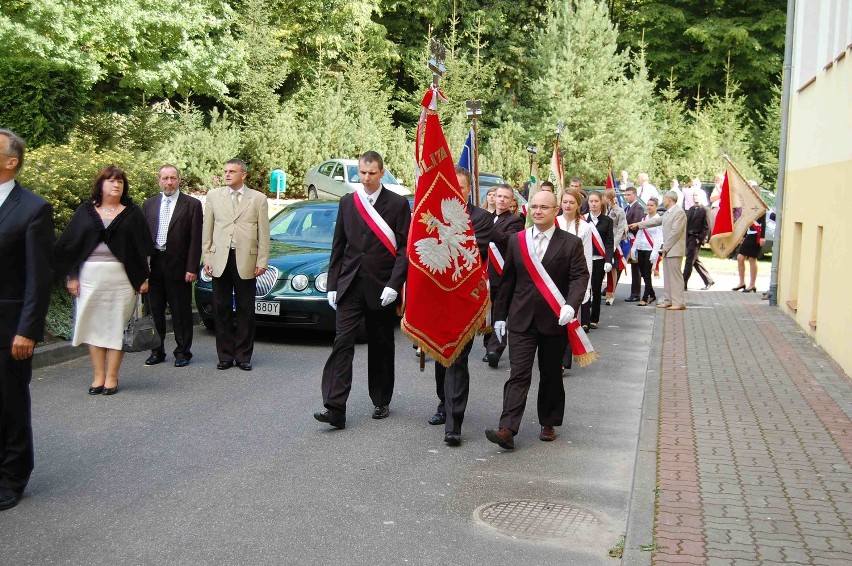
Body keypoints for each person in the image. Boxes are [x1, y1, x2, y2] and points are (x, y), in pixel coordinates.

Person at [484, 191, 589, 450]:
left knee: (551, 374)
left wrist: (571, 305)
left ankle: (548, 422)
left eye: (544, 207)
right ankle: (507, 428)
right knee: (518, 373)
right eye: (534, 207)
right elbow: (507, 281)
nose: (538, 211)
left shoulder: (570, 243)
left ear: (556, 211)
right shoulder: (517, 240)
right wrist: (499, 316)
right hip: (521, 319)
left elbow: (579, 277)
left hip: (555, 319)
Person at [314, 151, 410, 428]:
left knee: (381, 344)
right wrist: (333, 284)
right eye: (362, 173)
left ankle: (381, 399)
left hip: (381, 287)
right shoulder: (348, 202)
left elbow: (405, 249)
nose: (365, 179)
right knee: (342, 343)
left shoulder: (397, 204)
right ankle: (335, 407)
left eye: (371, 173)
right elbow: (339, 245)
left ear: (381, 173)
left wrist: (395, 283)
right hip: (350, 284)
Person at [55, 165, 152, 395]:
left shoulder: (132, 212)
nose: (116, 184)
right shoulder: (85, 211)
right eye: (110, 180)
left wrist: (144, 277)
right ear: (100, 184)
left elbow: (143, 248)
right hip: (90, 279)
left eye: (120, 181)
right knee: (94, 329)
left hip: (122, 279)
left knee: (116, 329)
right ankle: (98, 376)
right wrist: (73, 277)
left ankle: (112, 377)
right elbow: (71, 247)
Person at [0, 130, 54, 511]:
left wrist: (27, 330)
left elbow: (39, 277)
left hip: (9, 325)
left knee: (10, 403)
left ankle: (13, 475)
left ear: (11, 161)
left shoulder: (33, 208)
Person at [428, 167, 492, 446]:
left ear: (469, 190)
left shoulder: (482, 218)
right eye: (452, 187)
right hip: (439, 298)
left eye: (462, 187)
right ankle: (444, 403)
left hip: (466, 299)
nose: (457, 191)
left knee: (458, 359)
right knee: (442, 355)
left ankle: (454, 423)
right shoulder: (433, 215)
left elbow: (474, 248)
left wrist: (443, 237)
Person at [202, 158, 270, 371]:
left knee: (245, 309)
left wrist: (262, 260)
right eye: (225, 171)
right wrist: (207, 258)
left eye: (232, 171)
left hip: (246, 259)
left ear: (244, 175)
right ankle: (224, 355)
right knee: (221, 307)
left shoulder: (258, 199)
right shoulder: (214, 196)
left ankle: (243, 356)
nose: (228, 174)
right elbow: (208, 229)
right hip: (220, 257)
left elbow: (264, 234)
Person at [142, 165, 203, 367]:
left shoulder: (191, 205)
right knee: (154, 310)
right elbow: (142, 239)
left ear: (179, 180)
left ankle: (183, 351)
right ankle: (157, 351)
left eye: (173, 178)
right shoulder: (149, 204)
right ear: (159, 180)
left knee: (180, 311)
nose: (169, 182)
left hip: (179, 264)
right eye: (165, 178)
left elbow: (196, 239)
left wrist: (192, 268)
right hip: (154, 263)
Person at [482, 184, 524, 368]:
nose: (501, 200)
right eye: (499, 196)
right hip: (483, 272)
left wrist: (488, 230)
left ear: (511, 201)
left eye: (506, 197)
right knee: (486, 311)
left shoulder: (515, 221)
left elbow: (509, 240)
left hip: (502, 273)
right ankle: (487, 344)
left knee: (499, 311)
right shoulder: (485, 217)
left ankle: (495, 349)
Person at [630, 190, 686, 310]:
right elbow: (655, 221)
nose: (662, 201)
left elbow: (675, 232)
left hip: (674, 249)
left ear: (669, 200)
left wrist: (665, 247)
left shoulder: (679, 213)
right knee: (668, 276)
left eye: (664, 199)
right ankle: (668, 300)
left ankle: (678, 302)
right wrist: (639, 225)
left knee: (675, 277)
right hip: (668, 249)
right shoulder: (668, 213)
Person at [556, 188, 592, 370]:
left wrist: (586, 289)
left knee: (569, 319)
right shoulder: (553, 222)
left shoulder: (585, 228)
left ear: (578, 205)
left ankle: (563, 360)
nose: (568, 205)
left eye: (572, 202)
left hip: (573, 280)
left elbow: (587, 259)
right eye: (565, 202)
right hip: (553, 279)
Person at [583, 191, 613, 330]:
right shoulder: (583, 220)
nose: (593, 204)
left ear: (601, 202)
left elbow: (609, 242)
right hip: (584, 260)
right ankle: (584, 320)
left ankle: (594, 318)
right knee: (584, 289)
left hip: (599, 260)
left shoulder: (607, 221)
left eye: (596, 201)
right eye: (591, 201)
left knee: (595, 289)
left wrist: (608, 259)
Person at [632, 197, 662, 306]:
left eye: (651, 205)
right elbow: (639, 234)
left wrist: (655, 251)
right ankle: (652, 294)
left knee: (647, 273)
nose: (649, 207)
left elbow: (659, 237)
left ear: (656, 207)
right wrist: (634, 247)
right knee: (643, 274)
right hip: (641, 248)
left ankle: (645, 297)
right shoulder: (644, 219)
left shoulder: (658, 220)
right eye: (648, 205)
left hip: (650, 249)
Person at [683, 198, 714, 290]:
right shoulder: (691, 209)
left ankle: (683, 282)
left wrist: (700, 239)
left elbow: (707, 226)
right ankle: (708, 280)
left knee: (689, 260)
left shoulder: (705, 210)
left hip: (696, 238)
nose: (695, 197)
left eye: (697, 195)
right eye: (694, 195)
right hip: (689, 237)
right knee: (694, 260)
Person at [604, 188, 627, 306]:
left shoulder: (619, 211)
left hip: (612, 243)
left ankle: (611, 293)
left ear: (609, 198)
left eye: (605, 197)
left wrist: (614, 244)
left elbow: (620, 229)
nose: (603, 199)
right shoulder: (602, 210)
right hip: (602, 241)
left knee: (612, 268)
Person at [623, 187, 646, 302]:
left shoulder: (638, 208)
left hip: (634, 240)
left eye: (628, 195)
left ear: (635, 195)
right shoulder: (627, 207)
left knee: (635, 267)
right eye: (625, 195)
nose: (626, 197)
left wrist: (627, 228)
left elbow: (637, 225)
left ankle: (636, 293)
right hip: (628, 240)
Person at [733, 214, 766, 293]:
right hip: (749, 234)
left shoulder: (760, 206)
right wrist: (743, 235)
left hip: (757, 235)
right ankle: (742, 283)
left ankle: (752, 284)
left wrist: (762, 237)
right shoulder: (748, 205)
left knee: (752, 259)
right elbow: (747, 221)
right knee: (740, 257)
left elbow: (763, 222)